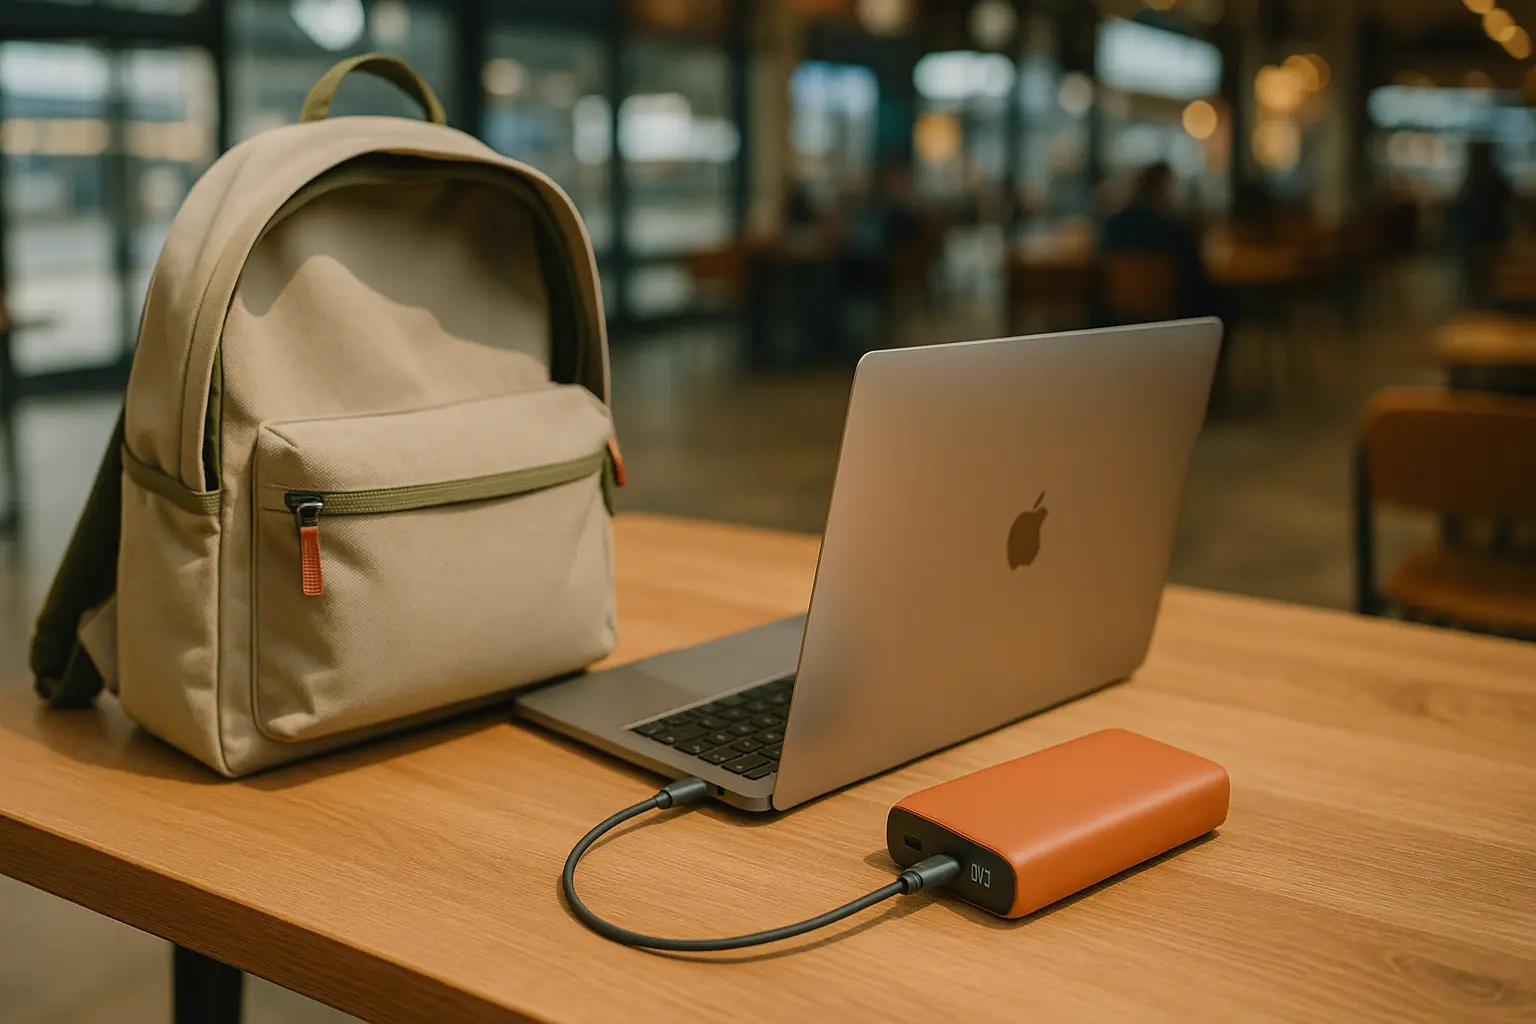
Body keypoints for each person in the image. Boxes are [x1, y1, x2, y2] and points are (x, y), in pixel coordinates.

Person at [1098, 162, 1212, 321]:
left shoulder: (1115, 224)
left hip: (1116, 314)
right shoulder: (1172, 228)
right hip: (1171, 313)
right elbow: (1195, 269)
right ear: (1163, 189)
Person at [1450, 141, 1515, 307]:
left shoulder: (1478, 181)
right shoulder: (1487, 180)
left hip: (1483, 238)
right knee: (1479, 278)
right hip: (1483, 238)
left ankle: (1480, 306)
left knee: (1483, 277)